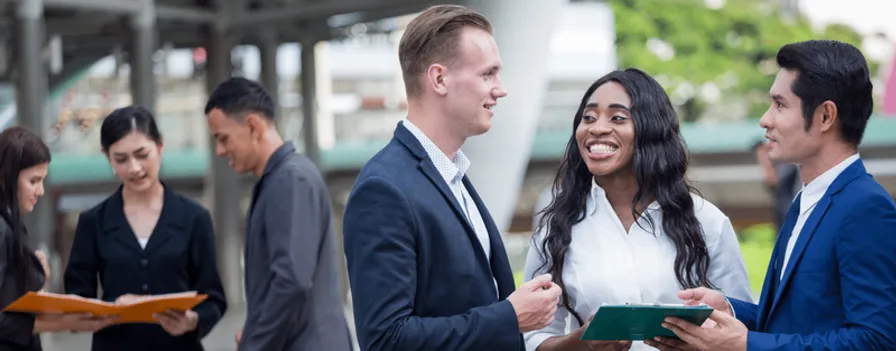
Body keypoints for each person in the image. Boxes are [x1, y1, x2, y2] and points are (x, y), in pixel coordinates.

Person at [342, 5, 562, 351]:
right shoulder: (383, 189)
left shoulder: (452, 175)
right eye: (487, 74)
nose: (500, 89)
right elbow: (386, 340)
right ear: (439, 79)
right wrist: (509, 316)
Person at [664, 40, 896, 350]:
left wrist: (746, 344)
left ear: (826, 116)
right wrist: (729, 309)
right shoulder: (805, 200)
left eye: (780, 104)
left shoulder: (866, 206)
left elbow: (877, 340)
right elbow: (794, 320)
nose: (765, 119)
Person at [522, 69, 753, 351]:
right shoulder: (556, 224)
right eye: (588, 117)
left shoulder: (707, 221)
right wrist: (582, 343)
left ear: (651, 128)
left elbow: (741, 330)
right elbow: (532, 337)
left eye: (618, 118)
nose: (596, 128)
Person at [204, 77, 352, 351]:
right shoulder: (279, 179)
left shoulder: (290, 179)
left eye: (223, 138)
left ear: (252, 126)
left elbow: (291, 280)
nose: (220, 150)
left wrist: (255, 343)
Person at [63, 106, 227, 351]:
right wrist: (112, 308)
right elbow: (77, 299)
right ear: (106, 157)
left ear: (160, 147)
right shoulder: (93, 221)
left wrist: (193, 320)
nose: (134, 168)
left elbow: (213, 297)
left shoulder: (194, 217)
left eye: (142, 155)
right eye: (121, 159)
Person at [0, 126, 117, 351]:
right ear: (6, 176)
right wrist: (63, 322)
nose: (40, 191)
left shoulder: (11, 224)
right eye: (33, 181)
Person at [751, 138, 800, 234]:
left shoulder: (788, 163)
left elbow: (774, 180)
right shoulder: (777, 165)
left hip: (792, 215)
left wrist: (766, 161)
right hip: (781, 216)